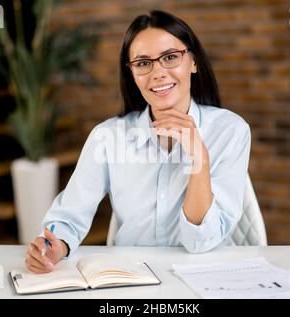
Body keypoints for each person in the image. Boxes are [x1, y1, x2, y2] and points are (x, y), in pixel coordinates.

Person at [25, 10, 251, 274]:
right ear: (132, 73)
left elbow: (200, 243)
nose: (157, 73)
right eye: (143, 63)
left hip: (205, 276)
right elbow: (68, 217)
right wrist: (56, 246)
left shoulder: (230, 131)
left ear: (193, 62)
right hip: (131, 276)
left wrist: (198, 156)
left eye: (170, 58)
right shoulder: (108, 137)